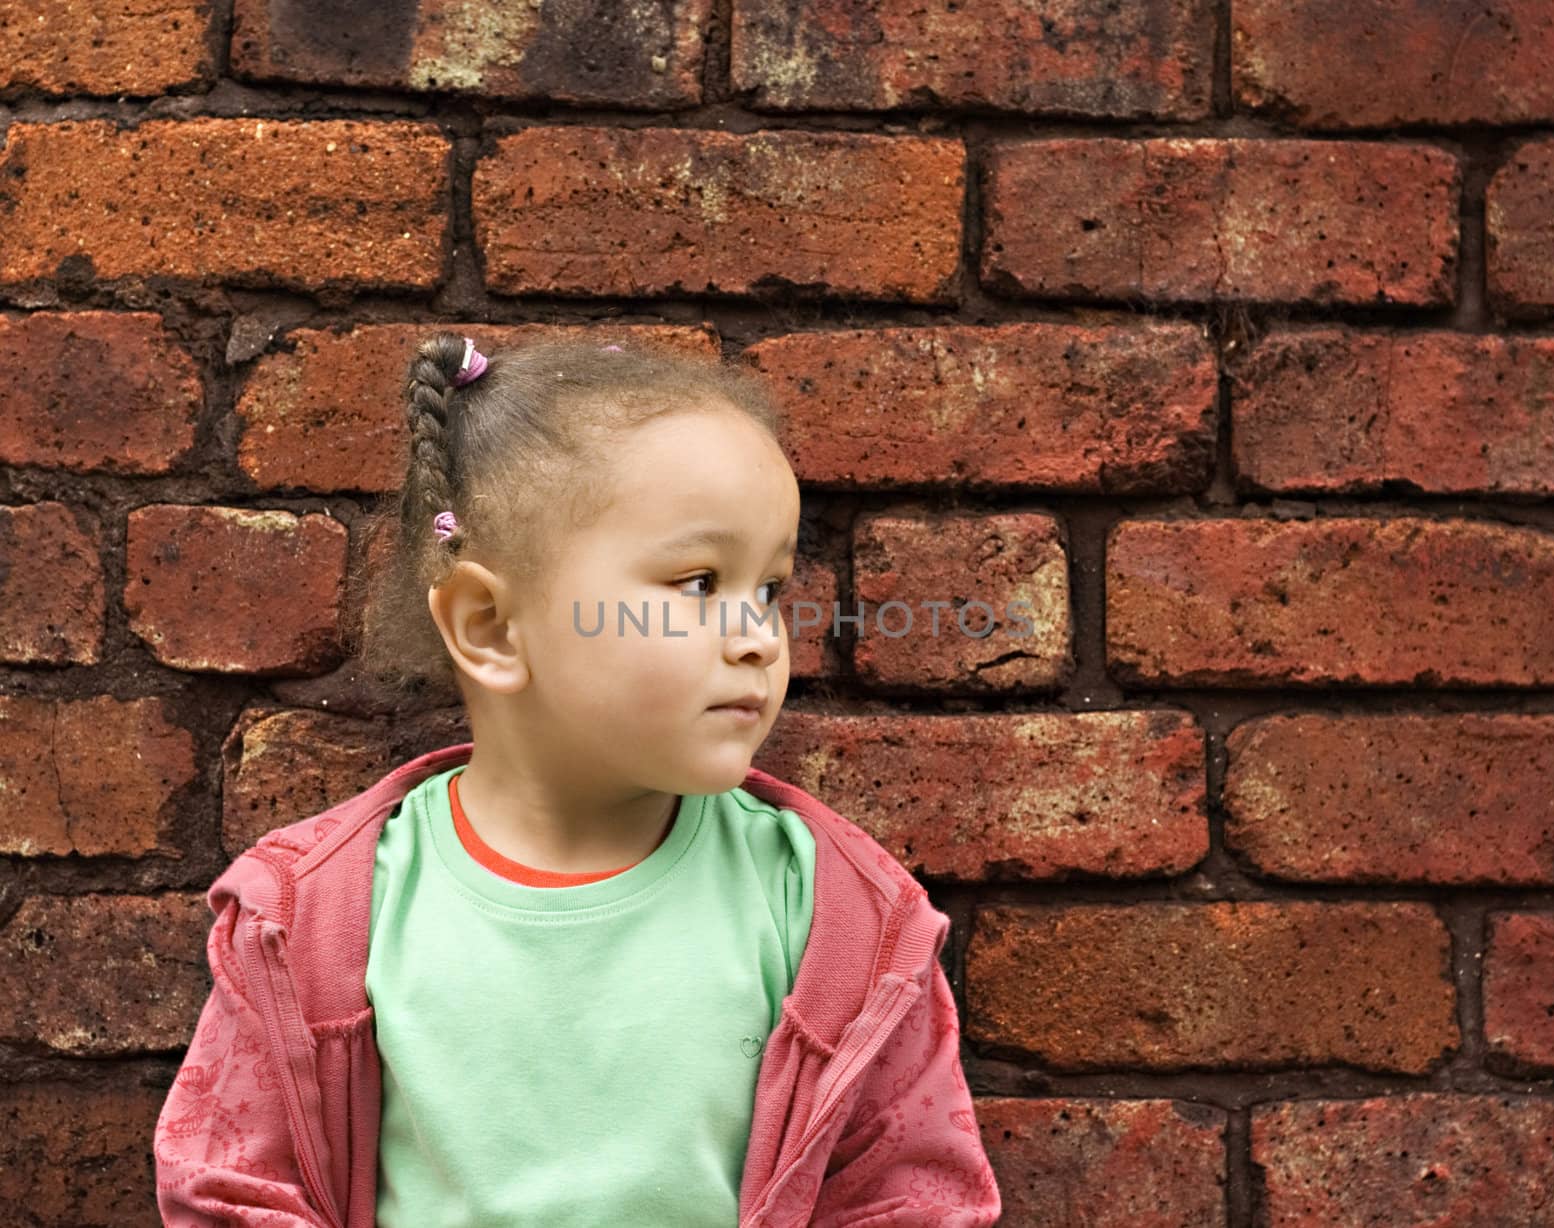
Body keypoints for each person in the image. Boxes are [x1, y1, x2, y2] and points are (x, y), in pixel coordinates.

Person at [152, 333, 1002, 1227]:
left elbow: (911, 1199)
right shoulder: (313, 922)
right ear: (489, 626)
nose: (758, 635)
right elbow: (232, 1192)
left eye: (770, 588)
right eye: (700, 581)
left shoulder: (837, 915)